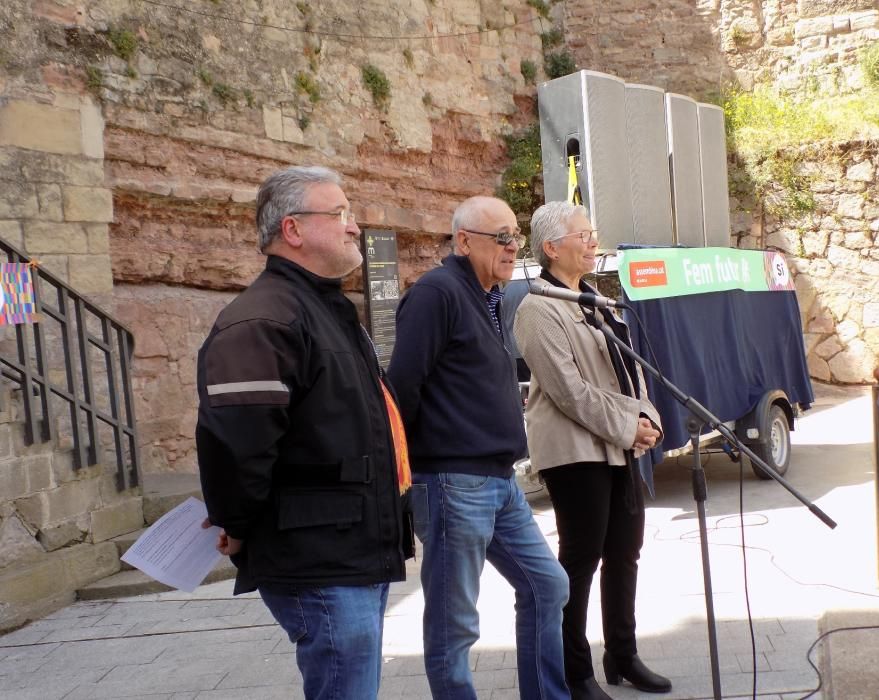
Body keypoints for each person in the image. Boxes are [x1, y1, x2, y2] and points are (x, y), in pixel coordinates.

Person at [196, 166, 413, 700]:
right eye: (339, 214)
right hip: (318, 557)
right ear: (292, 229)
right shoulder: (262, 321)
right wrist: (237, 523)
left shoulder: (324, 310)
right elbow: (236, 445)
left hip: (351, 548)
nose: (354, 227)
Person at [388, 195, 571, 700]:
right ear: (464, 241)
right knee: (455, 625)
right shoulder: (436, 294)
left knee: (547, 586)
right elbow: (401, 388)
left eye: (516, 235)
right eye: (502, 237)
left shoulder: (488, 297)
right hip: (452, 481)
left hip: (498, 481)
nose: (514, 246)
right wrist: (403, 476)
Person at [513, 200, 672, 699]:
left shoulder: (594, 300)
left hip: (620, 443)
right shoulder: (537, 309)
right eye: (582, 234)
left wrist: (649, 418)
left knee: (625, 552)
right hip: (574, 450)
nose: (592, 241)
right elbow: (569, 391)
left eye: (592, 232)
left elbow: (630, 370)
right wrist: (631, 427)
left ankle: (622, 656)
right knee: (580, 561)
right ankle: (573, 671)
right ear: (551, 247)